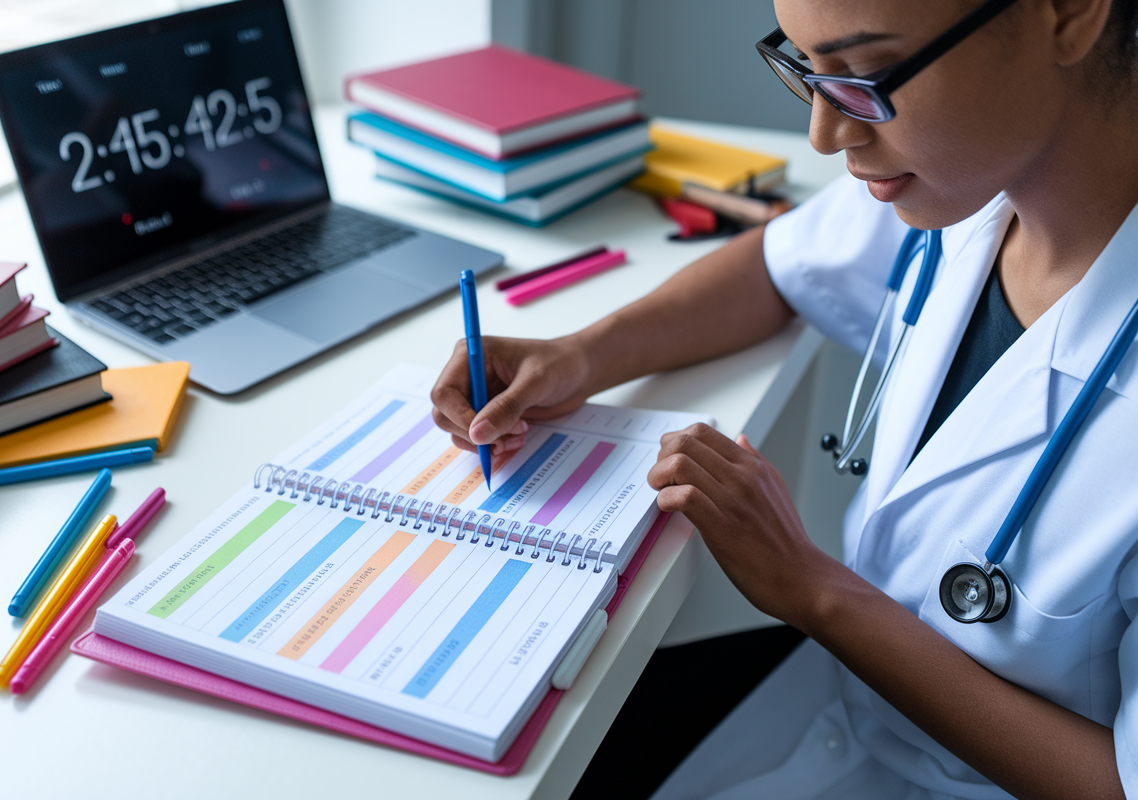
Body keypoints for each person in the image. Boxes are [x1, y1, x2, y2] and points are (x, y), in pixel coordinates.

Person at [429, 0, 1138, 797]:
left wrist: (811, 592)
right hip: (839, 715)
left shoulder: (962, 162)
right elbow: (779, 265)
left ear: (1069, 13)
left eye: (865, 75)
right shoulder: (971, 184)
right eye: (806, 66)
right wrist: (583, 354)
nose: (826, 135)